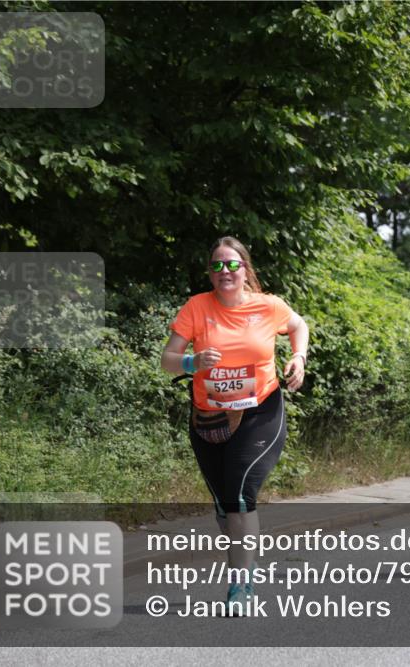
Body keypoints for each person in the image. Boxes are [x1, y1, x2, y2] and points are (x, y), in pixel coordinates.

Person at [161, 236, 309, 611]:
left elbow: (298, 325)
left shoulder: (268, 306)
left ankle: (240, 586)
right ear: (211, 273)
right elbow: (168, 359)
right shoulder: (196, 307)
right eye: (217, 266)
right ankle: (242, 549)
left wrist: (299, 358)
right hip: (209, 416)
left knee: (241, 494)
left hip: (261, 411)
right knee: (227, 507)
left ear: (245, 269)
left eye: (232, 265)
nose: (225, 272)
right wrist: (193, 363)